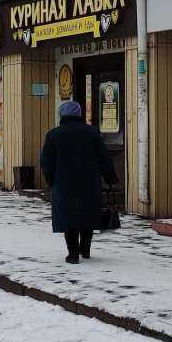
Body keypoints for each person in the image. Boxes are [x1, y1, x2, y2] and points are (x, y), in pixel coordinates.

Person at [40, 99, 118, 264]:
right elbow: (104, 157)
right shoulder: (92, 133)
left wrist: (51, 180)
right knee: (88, 214)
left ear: (62, 115)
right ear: (79, 114)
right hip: (89, 182)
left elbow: (46, 162)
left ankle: (73, 254)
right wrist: (110, 176)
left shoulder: (54, 135)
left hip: (64, 184)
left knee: (68, 217)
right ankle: (86, 248)